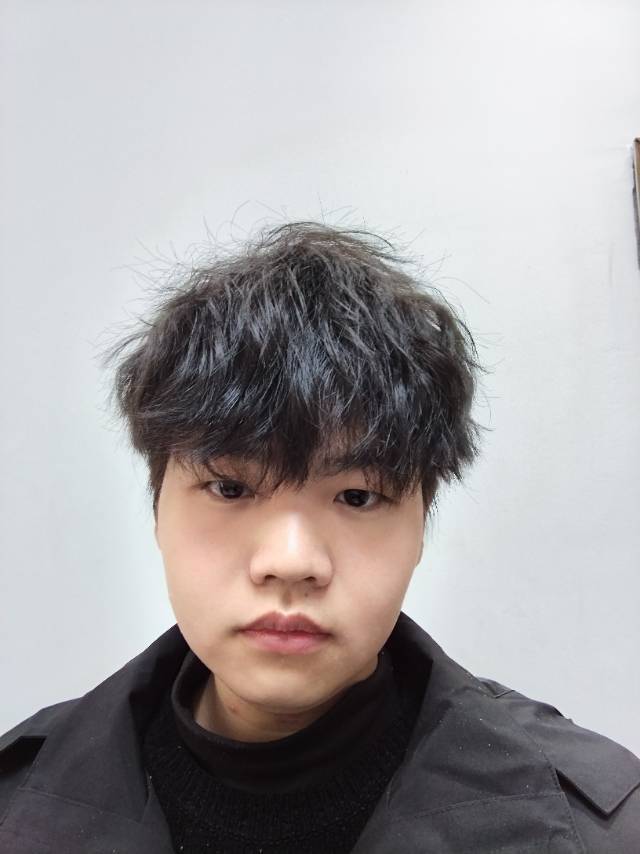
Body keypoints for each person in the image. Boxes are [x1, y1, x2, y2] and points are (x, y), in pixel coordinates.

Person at [0, 223, 638, 854]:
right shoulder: (14, 802)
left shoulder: (607, 831)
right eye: (230, 488)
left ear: (422, 525)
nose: (290, 562)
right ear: (158, 511)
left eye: (357, 496)